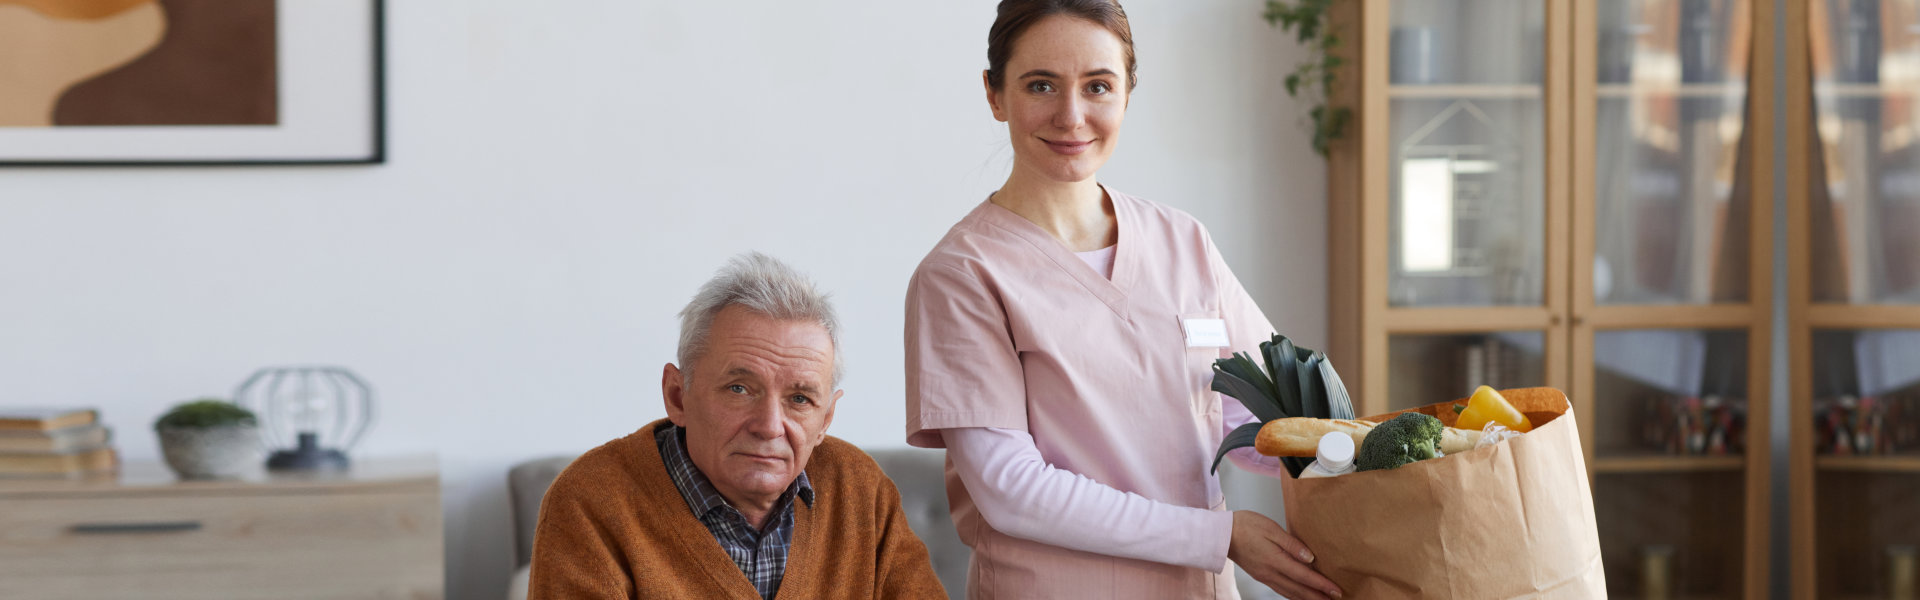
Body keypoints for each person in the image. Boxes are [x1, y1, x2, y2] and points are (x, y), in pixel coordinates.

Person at [903, 1, 1345, 599]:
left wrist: (1364, 457)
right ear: (994, 94)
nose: (1072, 115)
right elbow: (1011, 490)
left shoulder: (1182, 240)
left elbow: (1274, 418)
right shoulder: (962, 276)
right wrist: (1220, 536)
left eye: (1098, 86)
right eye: (1041, 85)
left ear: (1127, 93)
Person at [533, 252, 946, 599]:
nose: (769, 427)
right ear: (678, 395)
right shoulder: (590, 503)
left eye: (799, 399)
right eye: (739, 389)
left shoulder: (861, 490)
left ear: (826, 420)